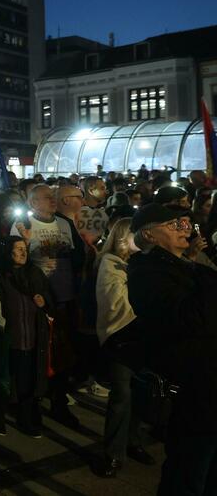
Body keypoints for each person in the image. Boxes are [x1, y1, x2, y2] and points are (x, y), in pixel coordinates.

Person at [126, 204, 217, 495]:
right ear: (149, 235)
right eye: (173, 224)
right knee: (189, 469)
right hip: (193, 388)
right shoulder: (147, 271)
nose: (185, 228)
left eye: (185, 222)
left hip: (209, 383)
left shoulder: (189, 267)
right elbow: (190, 318)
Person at [11, 183, 81, 427]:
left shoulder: (64, 224)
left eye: (53, 197)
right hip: (37, 301)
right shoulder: (23, 227)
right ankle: (32, 405)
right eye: (47, 197)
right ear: (32, 203)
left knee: (62, 355)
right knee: (38, 356)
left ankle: (59, 403)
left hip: (63, 298)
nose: (53, 200)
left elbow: (72, 257)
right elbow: (16, 261)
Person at [94, 217, 153, 477]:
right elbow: (114, 302)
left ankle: (133, 440)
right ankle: (113, 453)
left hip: (142, 338)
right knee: (121, 395)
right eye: (136, 235)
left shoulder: (145, 263)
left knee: (141, 393)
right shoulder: (110, 263)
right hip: (121, 337)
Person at [0, 237, 52, 438]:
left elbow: (48, 297)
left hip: (32, 338)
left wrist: (44, 301)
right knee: (4, 380)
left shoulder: (34, 274)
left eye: (24, 248)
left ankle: (25, 419)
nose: (22, 253)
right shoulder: (2, 276)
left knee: (27, 381)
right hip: (10, 337)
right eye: (17, 249)